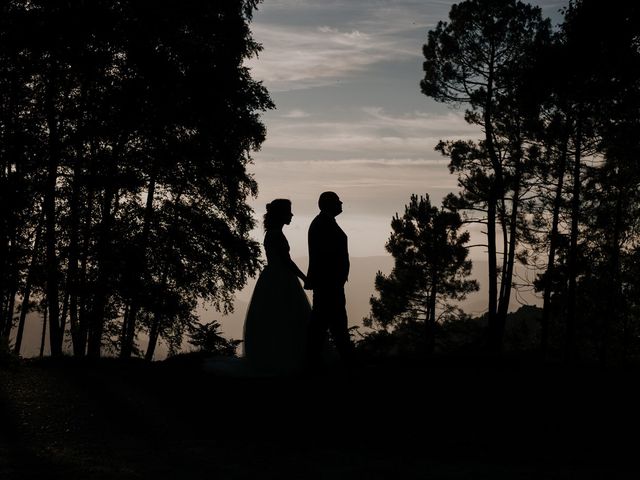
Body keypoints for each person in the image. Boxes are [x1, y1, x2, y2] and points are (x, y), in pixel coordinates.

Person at [241, 199, 311, 375]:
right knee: (285, 316)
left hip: (273, 277)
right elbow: (286, 261)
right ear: (281, 214)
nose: (292, 215)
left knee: (276, 318)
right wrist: (304, 277)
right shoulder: (276, 235)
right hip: (281, 279)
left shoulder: (273, 233)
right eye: (289, 211)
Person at [305, 191, 355, 370]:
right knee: (333, 324)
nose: (341, 204)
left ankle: (316, 363)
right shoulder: (322, 224)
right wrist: (336, 278)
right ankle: (347, 363)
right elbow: (325, 255)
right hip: (328, 284)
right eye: (337, 201)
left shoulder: (323, 223)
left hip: (329, 283)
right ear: (329, 204)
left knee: (323, 325)